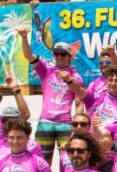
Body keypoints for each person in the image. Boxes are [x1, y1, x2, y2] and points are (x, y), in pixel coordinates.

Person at [20, 29, 84, 163]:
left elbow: (79, 104)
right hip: (45, 122)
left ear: (69, 56)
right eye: (56, 53)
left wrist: (77, 127)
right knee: (42, 162)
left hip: (65, 124)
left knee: (68, 162)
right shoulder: (46, 70)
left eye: (63, 54)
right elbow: (29, 56)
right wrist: (24, 37)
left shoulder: (76, 77)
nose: (59, 57)